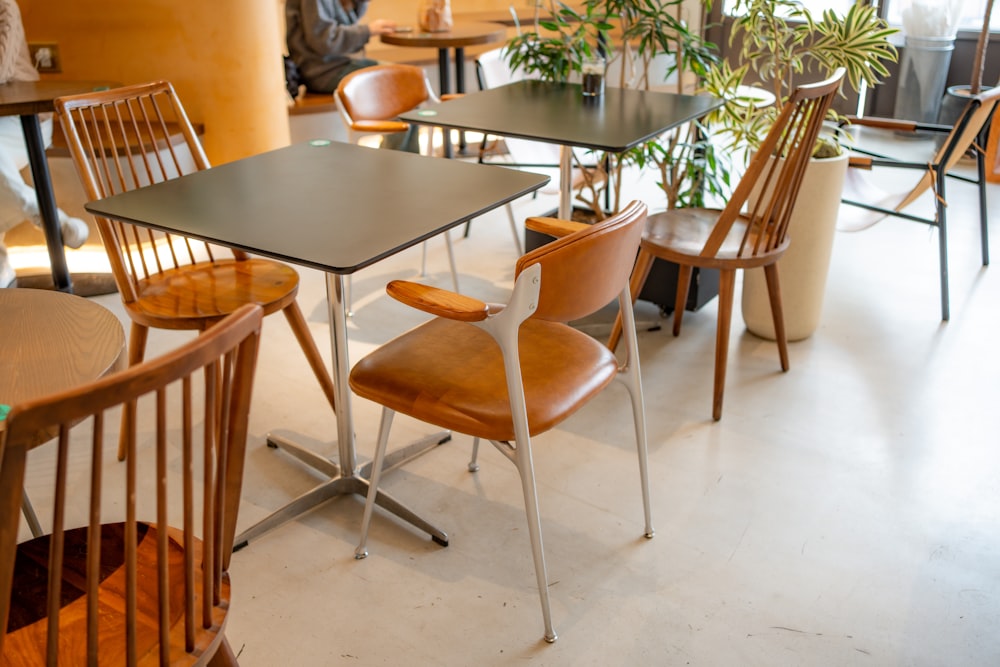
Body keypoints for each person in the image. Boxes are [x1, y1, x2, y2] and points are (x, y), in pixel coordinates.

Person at [0, 0, 89, 288]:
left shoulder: (5, 7)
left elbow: (1, 70)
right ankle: (50, 220)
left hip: (22, 121)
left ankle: (42, 215)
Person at [285, 0, 420, 153]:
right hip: (324, 71)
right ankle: (395, 167)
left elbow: (348, 21)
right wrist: (368, 30)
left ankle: (399, 164)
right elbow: (325, 40)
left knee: (407, 81)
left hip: (340, 64)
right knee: (402, 85)